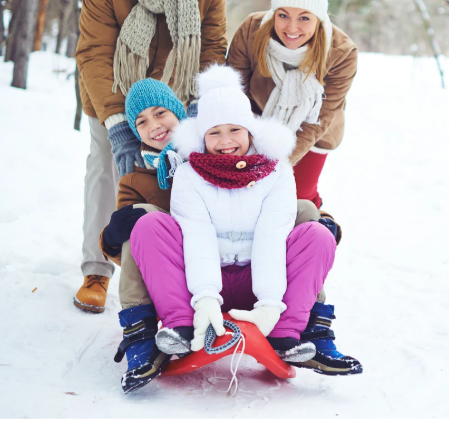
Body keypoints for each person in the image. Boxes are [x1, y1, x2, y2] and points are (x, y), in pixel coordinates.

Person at [98, 77, 332, 393]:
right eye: (141, 122)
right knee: (145, 219)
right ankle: (142, 334)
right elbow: (134, 252)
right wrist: (112, 237)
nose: (154, 125)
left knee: (306, 212)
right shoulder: (136, 179)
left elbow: (281, 220)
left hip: (250, 265)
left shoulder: (252, 158)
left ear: (180, 115)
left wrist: (324, 225)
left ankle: (309, 326)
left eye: (160, 113)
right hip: (179, 275)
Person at [74, 0, 227, 314]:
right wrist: (119, 124)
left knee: (180, 178)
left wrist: (197, 107)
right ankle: (97, 269)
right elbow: (94, 51)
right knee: (108, 166)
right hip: (115, 91)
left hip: (177, 95)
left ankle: (172, 273)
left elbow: (213, 44)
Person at [226, 0, 361, 376]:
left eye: (304, 18)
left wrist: (276, 162)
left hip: (310, 136)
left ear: (319, 19)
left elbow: (318, 119)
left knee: (299, 207)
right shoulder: (252, 30)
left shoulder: (340, 51)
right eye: (283, 14)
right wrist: (244, 153)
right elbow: (232, 95)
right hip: (252, 124)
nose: (292, 27)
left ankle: (314, 322)